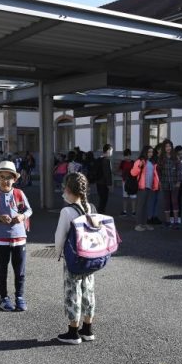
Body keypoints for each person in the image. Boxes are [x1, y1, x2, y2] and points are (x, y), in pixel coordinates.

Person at [53, 172, 97, 344]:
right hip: (91, 257)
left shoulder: (67, 211)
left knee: (73, 292)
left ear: (69, 190)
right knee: (89, 292)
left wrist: (58, 253)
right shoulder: (91, 207)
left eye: (65, 188)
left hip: (74, 259)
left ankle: (73, 332)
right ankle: (87, 329)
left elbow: (60, 236)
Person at [0, 161, 33, 312]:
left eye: (9, 177)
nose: (5, 180)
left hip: (19, 237)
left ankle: (20, 297)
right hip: (0, 238)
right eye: (2, 177)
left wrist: (22, 216)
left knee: (20, 270)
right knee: (2, 270)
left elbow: (29, 210)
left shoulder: (19, 193)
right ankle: (3, 297)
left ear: (14, 179)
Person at [130, 145, 159, 232]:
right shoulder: (140, 161)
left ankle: (144, 223)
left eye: (151, 152)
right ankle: (138, 224)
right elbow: (133, 173)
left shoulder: (151, 162)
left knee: (146, 206)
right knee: (140, 206)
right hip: (141, 187)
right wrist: (139, 166)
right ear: (145, 152)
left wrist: (155, 185)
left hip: (149, 186)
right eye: (149, 152)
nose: (150, 154)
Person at [158, 140, 182, 228]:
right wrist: (160, 181)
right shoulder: (161, 158)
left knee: (174, 201)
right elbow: (159, 171)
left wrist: (179, 181)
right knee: (166, 202)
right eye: (166, 146)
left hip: (174, 183)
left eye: (169, 146)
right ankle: (167, 221)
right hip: (165, 183)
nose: (168, 148)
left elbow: (180, 170)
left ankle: (176, 221)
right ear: (164, 148)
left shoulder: (175, 157)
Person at [95, 144, 114, 213]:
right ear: (108, 150)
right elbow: (107, 173)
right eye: (111, 151)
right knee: (104, 199)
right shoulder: (106, 160)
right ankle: (101, 212)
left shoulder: (98, 159)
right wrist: (110, 184)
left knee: (101, 198)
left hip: (98, 181)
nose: (112, 152)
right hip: (104, 182)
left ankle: (100, 211)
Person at [119, 149, 136, 217]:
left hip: (132, 182)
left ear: (130, 155)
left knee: (133, 197)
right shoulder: (122, 162)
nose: (127, 157)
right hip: (125, 181)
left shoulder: (133, 162)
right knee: (125, 197)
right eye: (126, 156)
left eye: (128, 155)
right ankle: (124, 211)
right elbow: (120, 170)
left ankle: (134, 211)